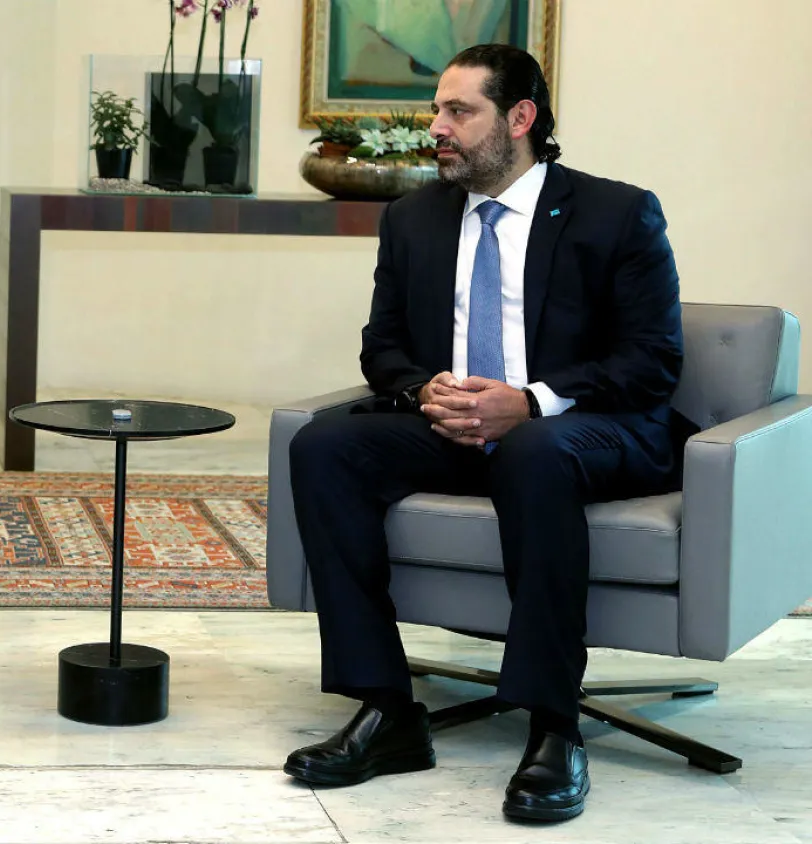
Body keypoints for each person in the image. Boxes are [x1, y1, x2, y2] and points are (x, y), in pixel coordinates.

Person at [282, 44, 690, 823]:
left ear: (520, 118)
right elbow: (382, 349)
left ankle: (554, 724)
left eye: (459, 111)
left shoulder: (616, 213)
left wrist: (531, 403)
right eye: (437, 110)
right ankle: (387, 709)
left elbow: (651, 362)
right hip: (460, 431)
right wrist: (422, 389)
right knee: (325, 445)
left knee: (533, 452)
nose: (437, 127)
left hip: (586, 432)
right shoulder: (413, 219)